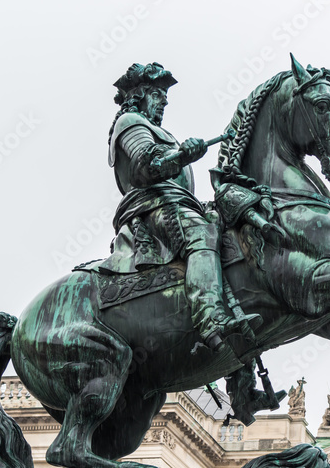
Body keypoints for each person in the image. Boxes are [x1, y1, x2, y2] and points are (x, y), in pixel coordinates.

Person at [104, 62, 259, 350]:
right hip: (152, 207)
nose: (164, 101)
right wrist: (183, 155)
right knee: (202, 233)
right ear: (139, 94)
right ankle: (210, 317)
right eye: (157, 95)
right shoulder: (130, 122)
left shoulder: (156, 130)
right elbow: (147, 165)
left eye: (164, 96)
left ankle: (244, 384)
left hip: (176, 203)